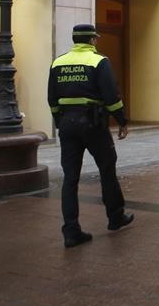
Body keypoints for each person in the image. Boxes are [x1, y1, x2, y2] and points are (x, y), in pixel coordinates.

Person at [48, 24, 134, 248]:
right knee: (107, 168)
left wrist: (61, 122)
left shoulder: (58, 62)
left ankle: (71, 231)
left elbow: (52, 99)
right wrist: (122, 121)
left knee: (70, 178)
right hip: (93, 123)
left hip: (67, 124)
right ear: (92, 40)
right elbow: (111, 96)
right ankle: (115, 217)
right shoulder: (99, 61)